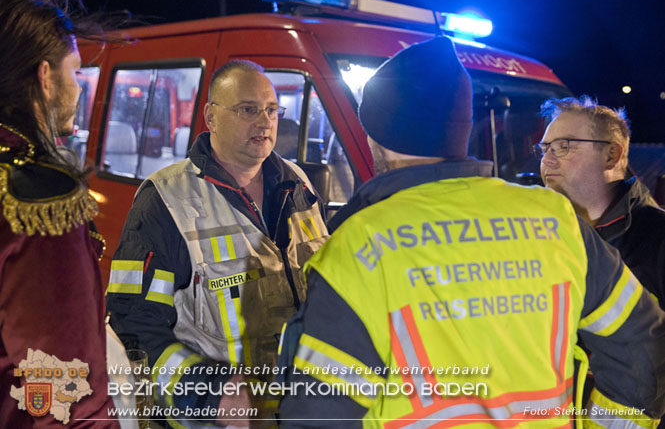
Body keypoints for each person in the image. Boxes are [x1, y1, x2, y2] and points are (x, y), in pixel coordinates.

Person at [277, 37, 665, 428]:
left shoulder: (358, 246)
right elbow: (643, 343)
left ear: (377, 136)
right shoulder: (555, 219)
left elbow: (319, 411)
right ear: (462, 130)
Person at [106, 60, 328, 427]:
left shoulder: (299, 184)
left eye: (272, 110)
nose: (265, 121)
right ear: (211, 116)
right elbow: (133, 328)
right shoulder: (164, 201)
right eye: (248, 110)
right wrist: (212, 393)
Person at [0, 0, 118, 427]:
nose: (79, 89)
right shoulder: (38, 199)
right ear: (45, 76)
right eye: (76, 72)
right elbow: (64, 396)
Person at [537, 96, 665, 308]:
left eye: (563, 147)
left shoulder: (657, 239)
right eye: (544, 149)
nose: (547, 160)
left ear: (611, 155)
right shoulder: (537, 232)